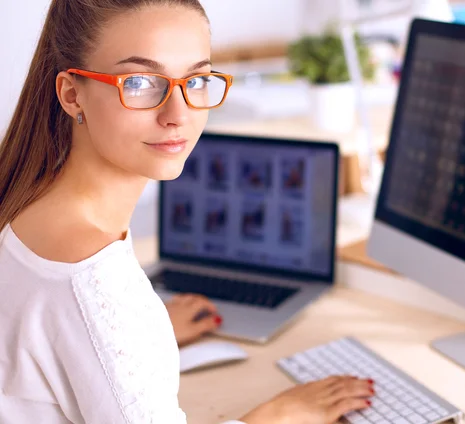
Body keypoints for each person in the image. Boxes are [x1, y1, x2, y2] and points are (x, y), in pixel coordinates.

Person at [0, 1, 375, 423]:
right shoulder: (89, 276)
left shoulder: (30, 205)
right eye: (140, 81)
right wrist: (281, 414)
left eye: (196, 80)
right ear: (72, 94)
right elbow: (81, 304)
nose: (177, 115)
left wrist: (142, 337)